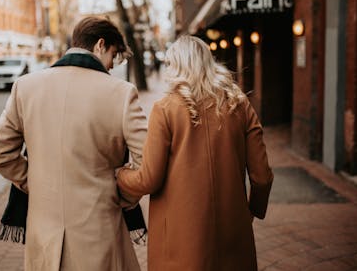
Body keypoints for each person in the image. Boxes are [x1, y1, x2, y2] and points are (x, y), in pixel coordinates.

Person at [0, 16, 147, 271]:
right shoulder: (122, 93)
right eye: (113, 56)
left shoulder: (25, 87)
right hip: (100, 229)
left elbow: (0, 154)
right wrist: (123, 195)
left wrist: (35, 182)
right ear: (100, 45)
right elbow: (146, 162)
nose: (111, 67)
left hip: (44, 234)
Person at [117, 35, 274, 270]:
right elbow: (262, 176)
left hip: (181, 240)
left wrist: (120, 175)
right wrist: (251, 211)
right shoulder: (240, 105)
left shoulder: (165, 109)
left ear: (178, 66)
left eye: (170, 64)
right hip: (233, 229)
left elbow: (148, 179)